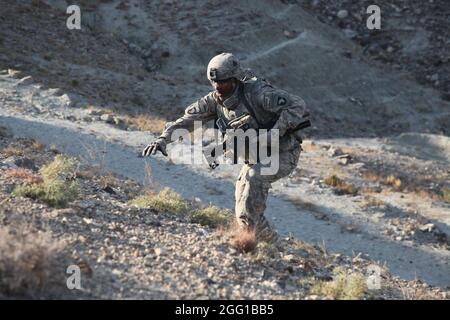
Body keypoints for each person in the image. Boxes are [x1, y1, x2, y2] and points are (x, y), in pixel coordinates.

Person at [142, 53, 310, 242]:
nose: (218, 86)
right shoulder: (213, 101)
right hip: (255, 157)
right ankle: (270, 245)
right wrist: (163, 139)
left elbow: (298, 105)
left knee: (254, 180)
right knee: (244, 212)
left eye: (223, 82)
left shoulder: (259, 94)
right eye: (214, 82)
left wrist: (275, 132)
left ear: (235, 79)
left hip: (283, 153)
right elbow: (188, 121)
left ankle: (250, 242)